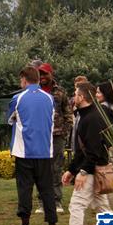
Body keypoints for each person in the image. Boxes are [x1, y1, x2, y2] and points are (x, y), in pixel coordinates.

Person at [61, 81, 112, 225]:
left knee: (77, 206)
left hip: (92, 170)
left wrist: (82, 172)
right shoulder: (90, 115)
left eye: (75, 93)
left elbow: (93, 150)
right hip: (95, 169)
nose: (74, 96)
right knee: (103, 210)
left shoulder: (90, 118)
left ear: (81, 97)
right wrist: (72, 169)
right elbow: (86, 149)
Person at [8, 65, 58, 225]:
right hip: (45, 151)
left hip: (24, 152)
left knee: (25, 189)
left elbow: (10, 119)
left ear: (24, 79)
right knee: (47, 190)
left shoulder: (18, 98)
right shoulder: (50, 98)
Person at [36, 63, 72, 214]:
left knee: (56, 168)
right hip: (39, 135)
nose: (43, 77)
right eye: (40, 74)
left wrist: (65, 132)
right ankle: (41, 201)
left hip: (57, 135)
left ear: (51, 75)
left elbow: (68, 113)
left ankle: (56, 201)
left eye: (45, 74)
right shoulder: (34, 91)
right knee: (41, 168)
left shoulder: (60, 92)